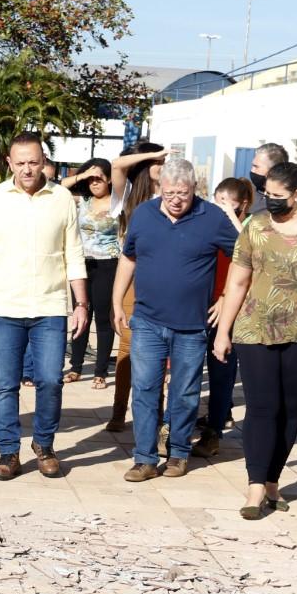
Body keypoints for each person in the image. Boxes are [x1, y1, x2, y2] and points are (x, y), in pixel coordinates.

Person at [213, 161, 297, 519]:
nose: (269, 200)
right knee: (261, 407)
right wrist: (223, 331)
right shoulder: (255, 227)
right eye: (266, 194)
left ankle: (272, 480)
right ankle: (255, 486)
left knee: (289, 409)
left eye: (277, 195)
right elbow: (237, 282)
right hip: (254, 329)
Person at [0, 132, 88, 481]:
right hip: (5, 308)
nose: (27, 169)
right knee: (6, 384)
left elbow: (74, 253)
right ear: (9, 163)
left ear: (43, 160)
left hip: (50, 307)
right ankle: (8, 452)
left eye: (33, 162)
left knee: (50, 380)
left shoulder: (62, 199)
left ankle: (44, 445)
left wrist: (81, 303)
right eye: (20, 163)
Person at [113, 158, 240, 482]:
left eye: (183, 193)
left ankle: (179, 453)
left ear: (194, 188)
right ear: (160, 188)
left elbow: (243, 259)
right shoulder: (144, 214)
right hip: (147, 321)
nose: (176, 200)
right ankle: (144, 459)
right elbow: (128, 258)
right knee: (145, 389)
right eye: (169, 193)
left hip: (192, 326)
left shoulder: (212, 217)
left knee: (184, 392)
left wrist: (225, 296)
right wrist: (116, 301)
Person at [105, 142, 169, 432]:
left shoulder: (171, 195)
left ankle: (157, 415)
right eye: (158, 161)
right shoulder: (129, 195)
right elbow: (117, 165)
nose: (163, 165)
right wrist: (153, 154)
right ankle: (119, 412)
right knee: (128, 348)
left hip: (164, 281)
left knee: (160, 351)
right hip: (132, 280)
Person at [193, 177, 252, 457]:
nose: (223, 212)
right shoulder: (205, 224)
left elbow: (250, 256)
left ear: (243, 207)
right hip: (199, 306)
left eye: (230, 207)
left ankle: (214, 432)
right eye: (218, 205)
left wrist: (225, 298)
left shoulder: (250, 228)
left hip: (229, 311)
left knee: (221, 374)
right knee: (189, 373)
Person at [60, 158, 120, 388]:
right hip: (81, 265)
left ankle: (100, 372)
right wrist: (83, 175)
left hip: (108, 264)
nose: (94, 183)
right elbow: (59, 186)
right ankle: (75, 367)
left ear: (109, 180)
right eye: (90, 179)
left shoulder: (118, 203)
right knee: (80, 314)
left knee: (103, 319)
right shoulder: (82, 200)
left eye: (99, 178)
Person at [247, 143, 297, 215]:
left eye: (256, 166)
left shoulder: (296, 202)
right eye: (252, 165)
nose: (252, 170)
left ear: (273, 169)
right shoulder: (247, 192)